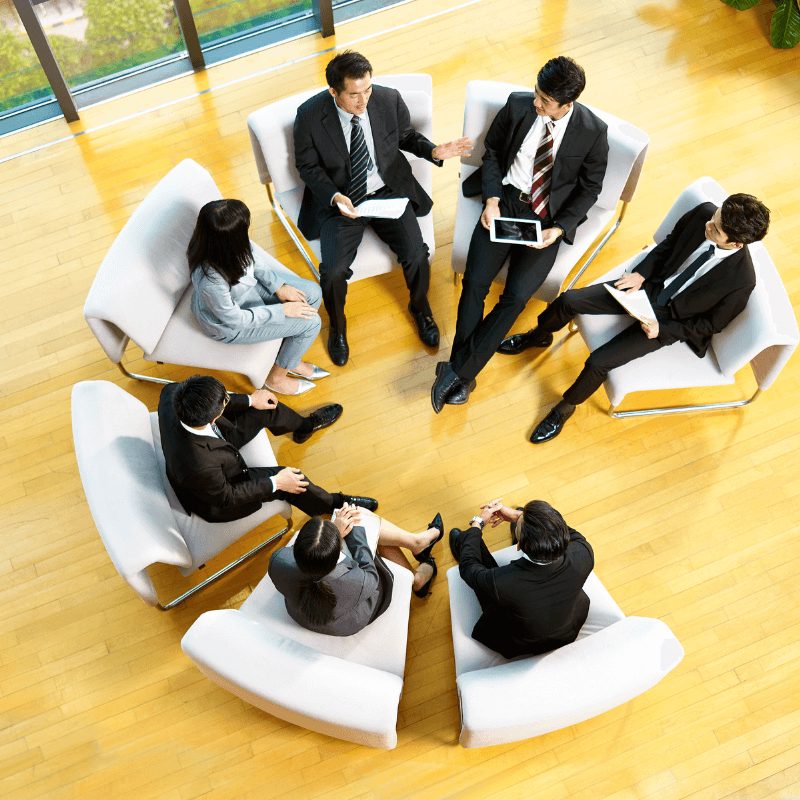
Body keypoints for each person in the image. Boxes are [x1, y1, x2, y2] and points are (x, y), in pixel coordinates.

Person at [504, 193, 771, 443]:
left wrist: (662, 330)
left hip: (667, 320)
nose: (708, 223)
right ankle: (538, 336)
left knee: (599, 361)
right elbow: (668, 244)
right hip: (648, 286)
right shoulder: (705, 213)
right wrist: (641, 273)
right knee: (569, 300)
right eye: (715, 217)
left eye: (716, 229)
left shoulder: (742, 280)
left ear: (736, 244)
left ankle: (565, 408)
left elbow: (712, 324)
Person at [431, 56, 609, 412]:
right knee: (475, 284)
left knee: (514, 298)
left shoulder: (593, 131)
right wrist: (492, 199)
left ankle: (456, 370)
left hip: (546, 221)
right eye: (536, 94)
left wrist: (558, 230)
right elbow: (493, 153)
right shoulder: (517, 106)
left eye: (544, 101)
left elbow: (590, 189)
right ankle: (462, 374)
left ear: (567, 104)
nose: (536, 103)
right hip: (506, 203)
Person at [293, 50, 472, 366]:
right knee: (333, 272)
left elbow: (405, 137)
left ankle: (420, 309)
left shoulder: (388, 99)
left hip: (388, 191)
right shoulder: (309, 115)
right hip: (343, 201)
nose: (363, 102)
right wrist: (334, 196)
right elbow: (307, 166)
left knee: (418, 254)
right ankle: (338, 326)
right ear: (333, 91)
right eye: (353, 95)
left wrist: (433, 150)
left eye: (367, 90)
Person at [158, 375, 374, 523]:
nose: (227, 400)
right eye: (225, 402)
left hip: (217, 443)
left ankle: (305, 427)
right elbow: (226, 497)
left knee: (267, 407)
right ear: (214, 417)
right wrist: (276, 482)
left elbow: (218, 401)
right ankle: (334, 505)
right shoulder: (197, 465)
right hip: (224, 490)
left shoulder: (174, 392)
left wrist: (251, 400)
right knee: (293, 479)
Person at [188, 199, 327, 396]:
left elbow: (252, 258)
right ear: (230, 239)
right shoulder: (210, 281)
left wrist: (279, 286)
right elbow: (235, 320)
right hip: (230, 324)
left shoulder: (227, 244)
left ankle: (289, 358)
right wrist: (282, 311)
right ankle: (276, 378)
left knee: (312, 293)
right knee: (312, 323)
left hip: (245, 294)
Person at [449, 498, 594, 659]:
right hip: (567, 630)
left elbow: (469, 567)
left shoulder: (502, 583)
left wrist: (477, 524)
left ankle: (463, 541)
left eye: (518, 524)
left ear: (518, 546)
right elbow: (570, 533)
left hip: (520, 641)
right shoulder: (584, 554)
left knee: (470, 550)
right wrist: (518, 516)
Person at [269, 505, 444, 635]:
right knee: (361, 518)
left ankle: (417, 545)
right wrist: (345, 534)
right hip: (353, 619)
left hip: (301, 616)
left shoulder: (278, 561)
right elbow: (369, 572)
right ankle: (416, 565)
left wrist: (333, 538)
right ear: (336, 553)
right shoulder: (356, 580)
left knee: (360, 522)